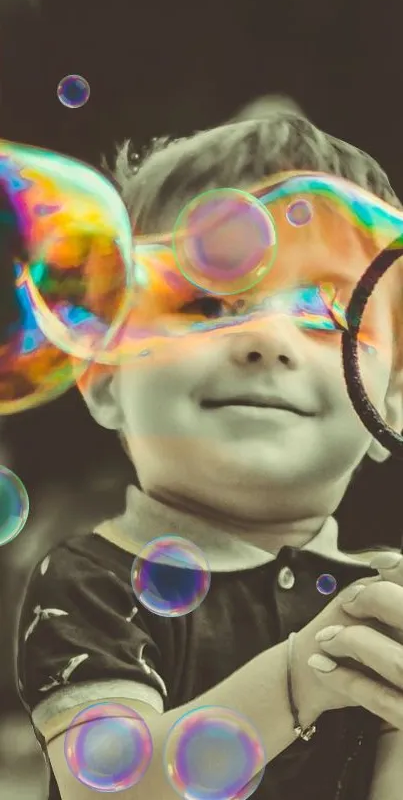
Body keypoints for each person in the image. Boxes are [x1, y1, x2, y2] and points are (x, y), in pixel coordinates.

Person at [15, 96, 403, 800]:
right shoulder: (91, 583)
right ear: (104, 375)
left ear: (391, 401)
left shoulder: (374, 600)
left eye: (326, 312)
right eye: (205, 304)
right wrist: (301, 673)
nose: (267, 338)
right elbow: (109, 787)